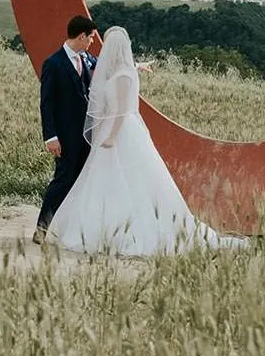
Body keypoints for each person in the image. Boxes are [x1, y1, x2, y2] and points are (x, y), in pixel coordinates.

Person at [46, 26, 248, 255]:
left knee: (131, 177)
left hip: (121, 131)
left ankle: (126, 230)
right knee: (104, 178)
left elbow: (122, 109)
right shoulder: (118, 71)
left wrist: (111, 136)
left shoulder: (122, 76)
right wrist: (138, 66)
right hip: (110, 129)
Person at [34, 14, 100, 244]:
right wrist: (50, 137)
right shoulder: (53, 63)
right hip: (65, 135)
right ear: (81, 36)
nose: (93, 41)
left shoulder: (89, 59)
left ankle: (69, 229)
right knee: (63, 180)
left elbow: (110, 69)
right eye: (91, 37)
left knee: (81, 182)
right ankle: (42, 228)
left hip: (88, 135)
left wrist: (134, 67)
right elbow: (47, 104)